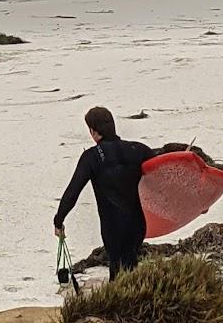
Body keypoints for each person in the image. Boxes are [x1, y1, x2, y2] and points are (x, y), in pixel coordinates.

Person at [53, 106, 154, 279]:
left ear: (93, 131)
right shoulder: (138, 149)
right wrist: (197, 202)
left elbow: (73, 191)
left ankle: (124, 301)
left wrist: (59, 220)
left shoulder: (91, 157)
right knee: (130, 265)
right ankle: (136, 299)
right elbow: (165, 177)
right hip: (138, 225)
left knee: (117, 270)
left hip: (112, 227)